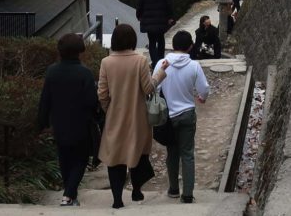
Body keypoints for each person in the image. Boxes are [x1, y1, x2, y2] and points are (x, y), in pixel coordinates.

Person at [99, 24, 167, 209]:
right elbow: (147, 88)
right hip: (138, 117)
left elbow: (102, 94)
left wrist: (109, 110)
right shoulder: (140, 60)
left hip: (115, 116)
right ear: (132, 40)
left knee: (115, 157)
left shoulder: (106, 62)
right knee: (138, 153)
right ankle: (137, 190)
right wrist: (159, 75)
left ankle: (117, 200)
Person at [36, 33, 98, 207]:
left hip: (60, 123)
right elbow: (91, 101)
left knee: (64, 159)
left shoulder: (52, 71)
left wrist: (41, 123)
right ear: (79, 51)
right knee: (81, 160)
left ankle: (70, 196)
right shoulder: (84, 73)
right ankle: (68, 195)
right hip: (81, 123)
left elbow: (45, 99)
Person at [156, 31, 210, 204]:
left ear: (173, 45)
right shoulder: (194, 65)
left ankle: (173, 189)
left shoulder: (162, 63)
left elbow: (155, 88)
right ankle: (187, 194)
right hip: (187, 113)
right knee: (187, 154)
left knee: (172, 152)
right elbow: (204, 88)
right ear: (190, 46)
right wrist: (202, 98)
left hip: (168, 115)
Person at [137, 0, 175, 70]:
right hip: (162, 19)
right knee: (161, 40)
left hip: (149, 20)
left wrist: (139, 16)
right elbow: (169, 4)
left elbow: (140, 4)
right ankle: (161, 61)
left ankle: (154, 63)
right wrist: (170, 17)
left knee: (152, 42)